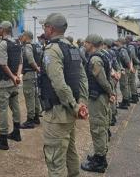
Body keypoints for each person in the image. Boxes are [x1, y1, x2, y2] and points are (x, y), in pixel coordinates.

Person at [39, 13, 88, 177]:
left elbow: (59, 84)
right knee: (70, 152)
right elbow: (82, 78)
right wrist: (81, 104)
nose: (43, 29)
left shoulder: (52, 50)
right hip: (69, 111)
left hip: (57, 114)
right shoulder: (73, 48)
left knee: (55, 161)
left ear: (50, 28)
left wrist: (76, 106)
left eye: (44, 26)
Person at [80, 34, 116, 173]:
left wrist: (110, 93)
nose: (84, 44)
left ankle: (100, 161)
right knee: (100, 126)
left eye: (86, 42)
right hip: (100, 96)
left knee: (98, 128)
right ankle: (98, 155)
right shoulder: (103, 55)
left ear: (92, 44)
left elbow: (102, 79)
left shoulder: (95, 59)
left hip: (98, 97)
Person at [0, 21, 23, 150]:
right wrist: (17, 77)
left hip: (4, 83)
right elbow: (20, 62)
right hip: (15, 82)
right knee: (15, 107)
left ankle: (3, 140)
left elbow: (3, 64)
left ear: (3, 29)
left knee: (3, 110)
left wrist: (13, 77)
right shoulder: (17, 43)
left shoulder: (3, 44)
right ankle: (16, 133)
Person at [19, 31, 42, 129]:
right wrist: (38, 69)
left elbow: (30, 59)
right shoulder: (36, 46)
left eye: (23, 36)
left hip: (29, 74)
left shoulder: (27, 46)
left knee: (29, 97)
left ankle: (30, 120)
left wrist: (36, 68)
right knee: (35, 96)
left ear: (26, 37)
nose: (21, 38)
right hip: (35, 75)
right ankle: (36, 117)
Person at [117, 38, 133, 109]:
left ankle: (125, 102)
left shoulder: (123, 50)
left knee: (123, 85)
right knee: (125, 85)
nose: (116, 42)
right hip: (126, 69)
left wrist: (129, 68)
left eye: (117, 41)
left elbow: (127, 60)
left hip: (124, 69)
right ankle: (126, 100)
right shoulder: (124, 49)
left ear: (120, 42)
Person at [125, 35, 140, 104]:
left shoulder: (131, 46)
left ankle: (134, 97)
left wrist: (131, 64)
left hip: (132, 65)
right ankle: (134, 96)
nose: (125, 40)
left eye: (126, 39)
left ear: (128, 39)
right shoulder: (133, 45)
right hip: (133, 64)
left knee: (131, 81)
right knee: (132, 80)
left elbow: (132, 56)